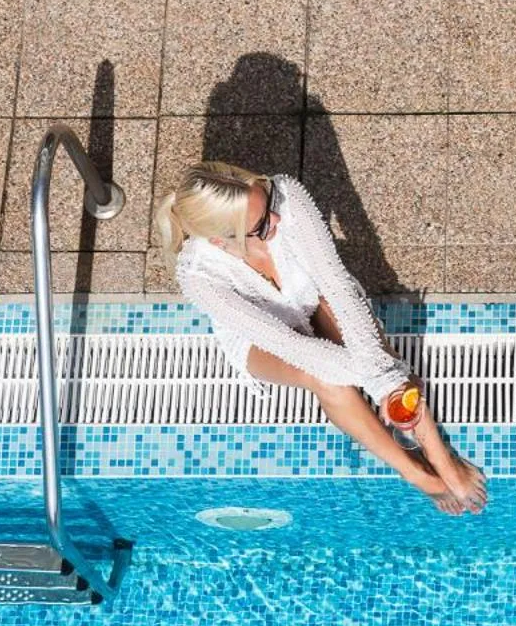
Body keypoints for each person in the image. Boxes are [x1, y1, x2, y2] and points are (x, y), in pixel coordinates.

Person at [156, 162, 487, 515]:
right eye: (263, 225)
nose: (277, 220)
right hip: (266, 341)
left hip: (315, 296)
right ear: (223, 242)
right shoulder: (199, 278)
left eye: (266, 200)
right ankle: (417, 474)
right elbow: (291, 346)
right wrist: (384, 379)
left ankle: (441, 457)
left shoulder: (287, 196)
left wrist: (384, 378)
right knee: (325, 377)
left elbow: (338, 286)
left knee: (368, 343)